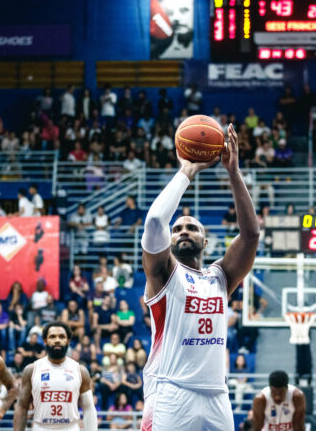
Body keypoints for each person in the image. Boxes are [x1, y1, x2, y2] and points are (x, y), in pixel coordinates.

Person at [139, 123, 259, 430]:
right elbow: (154, 221)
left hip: (217, 394)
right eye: (177, 228)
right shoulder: (165, 275)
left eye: (192, 228)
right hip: (172, 390)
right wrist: (187, 172)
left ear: (204, 242)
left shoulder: (220, 277)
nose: (183, 232)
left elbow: (251, 235)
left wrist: (233, 173)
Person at [14, 321, 97, 430]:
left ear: (68, 341)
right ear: (45, 341)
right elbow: (22, 407)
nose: (57, 340)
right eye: (52, 337)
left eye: (62, 337)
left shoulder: (80, 371)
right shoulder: (31, 370)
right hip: (41, 427)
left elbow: (89, 408)